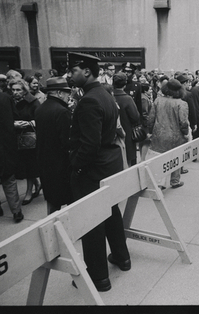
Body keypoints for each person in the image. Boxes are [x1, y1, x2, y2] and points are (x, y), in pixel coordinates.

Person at [68, 52, 131, 292]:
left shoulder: (90, 100)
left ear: (86, 71)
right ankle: (121, 257)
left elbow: (90, 145)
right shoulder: (104, 93)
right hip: (108, 163)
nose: (69, 75)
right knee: (111, 211)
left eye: (73, 70)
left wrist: (77, 167)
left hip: (93, 169)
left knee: (91, 222)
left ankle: (98, 277)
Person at [0, 68, 24, 222]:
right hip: (4, 145)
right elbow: (15, 118)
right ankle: (16, 211)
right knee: (9, 179)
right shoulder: (4, 98)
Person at [35, 77, 74, 214]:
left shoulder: (41, 108)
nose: (68, 96)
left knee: (52, 202)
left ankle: (50, 231)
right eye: (66, 92)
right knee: (70, 201)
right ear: (59, 93)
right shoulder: (62, 111)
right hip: (61, 165)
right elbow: (66, 142)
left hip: (45, 162)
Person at [147, 79, 189, 189]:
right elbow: (183, 122)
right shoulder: (182, 103)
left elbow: (151, 118)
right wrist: (186, 133)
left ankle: (160, 183)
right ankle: (175, 181)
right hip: (176, 135)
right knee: (176, 157)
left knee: (160, 159)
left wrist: (150, 131)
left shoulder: (158, 101)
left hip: (159, 134)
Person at [10, 78, 42, 205]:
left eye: (18, 89)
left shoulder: (33, 102)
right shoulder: (9, 101)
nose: (15, 92)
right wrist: (13, 124)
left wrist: (28, 123)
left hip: (29, 138)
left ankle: (29, 192)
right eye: (13, 90)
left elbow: (39, 118)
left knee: (29, 166)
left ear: (24, 90)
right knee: (23, 165)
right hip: (16, 137)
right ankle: (37, 183)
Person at [112, 72, 142, 167]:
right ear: (125, 84)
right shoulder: (127, 99)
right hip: (127, 134)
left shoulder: (110, 97)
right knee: (129, 162)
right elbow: (135, 117)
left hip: (112, 135)